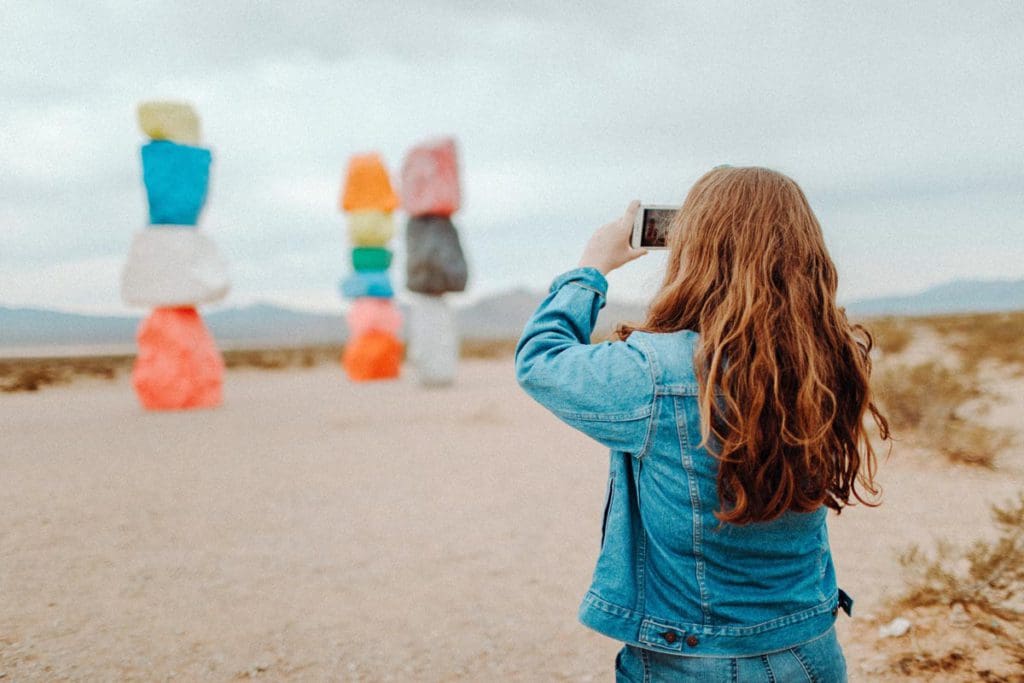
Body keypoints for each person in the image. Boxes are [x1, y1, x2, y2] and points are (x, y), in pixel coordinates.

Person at [514, 166, 890, 682]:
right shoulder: (831, 358)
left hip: (693, 662)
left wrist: (592, 267)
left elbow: (540, 360)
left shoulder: (652, 372)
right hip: (810, 651)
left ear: (694, 251)